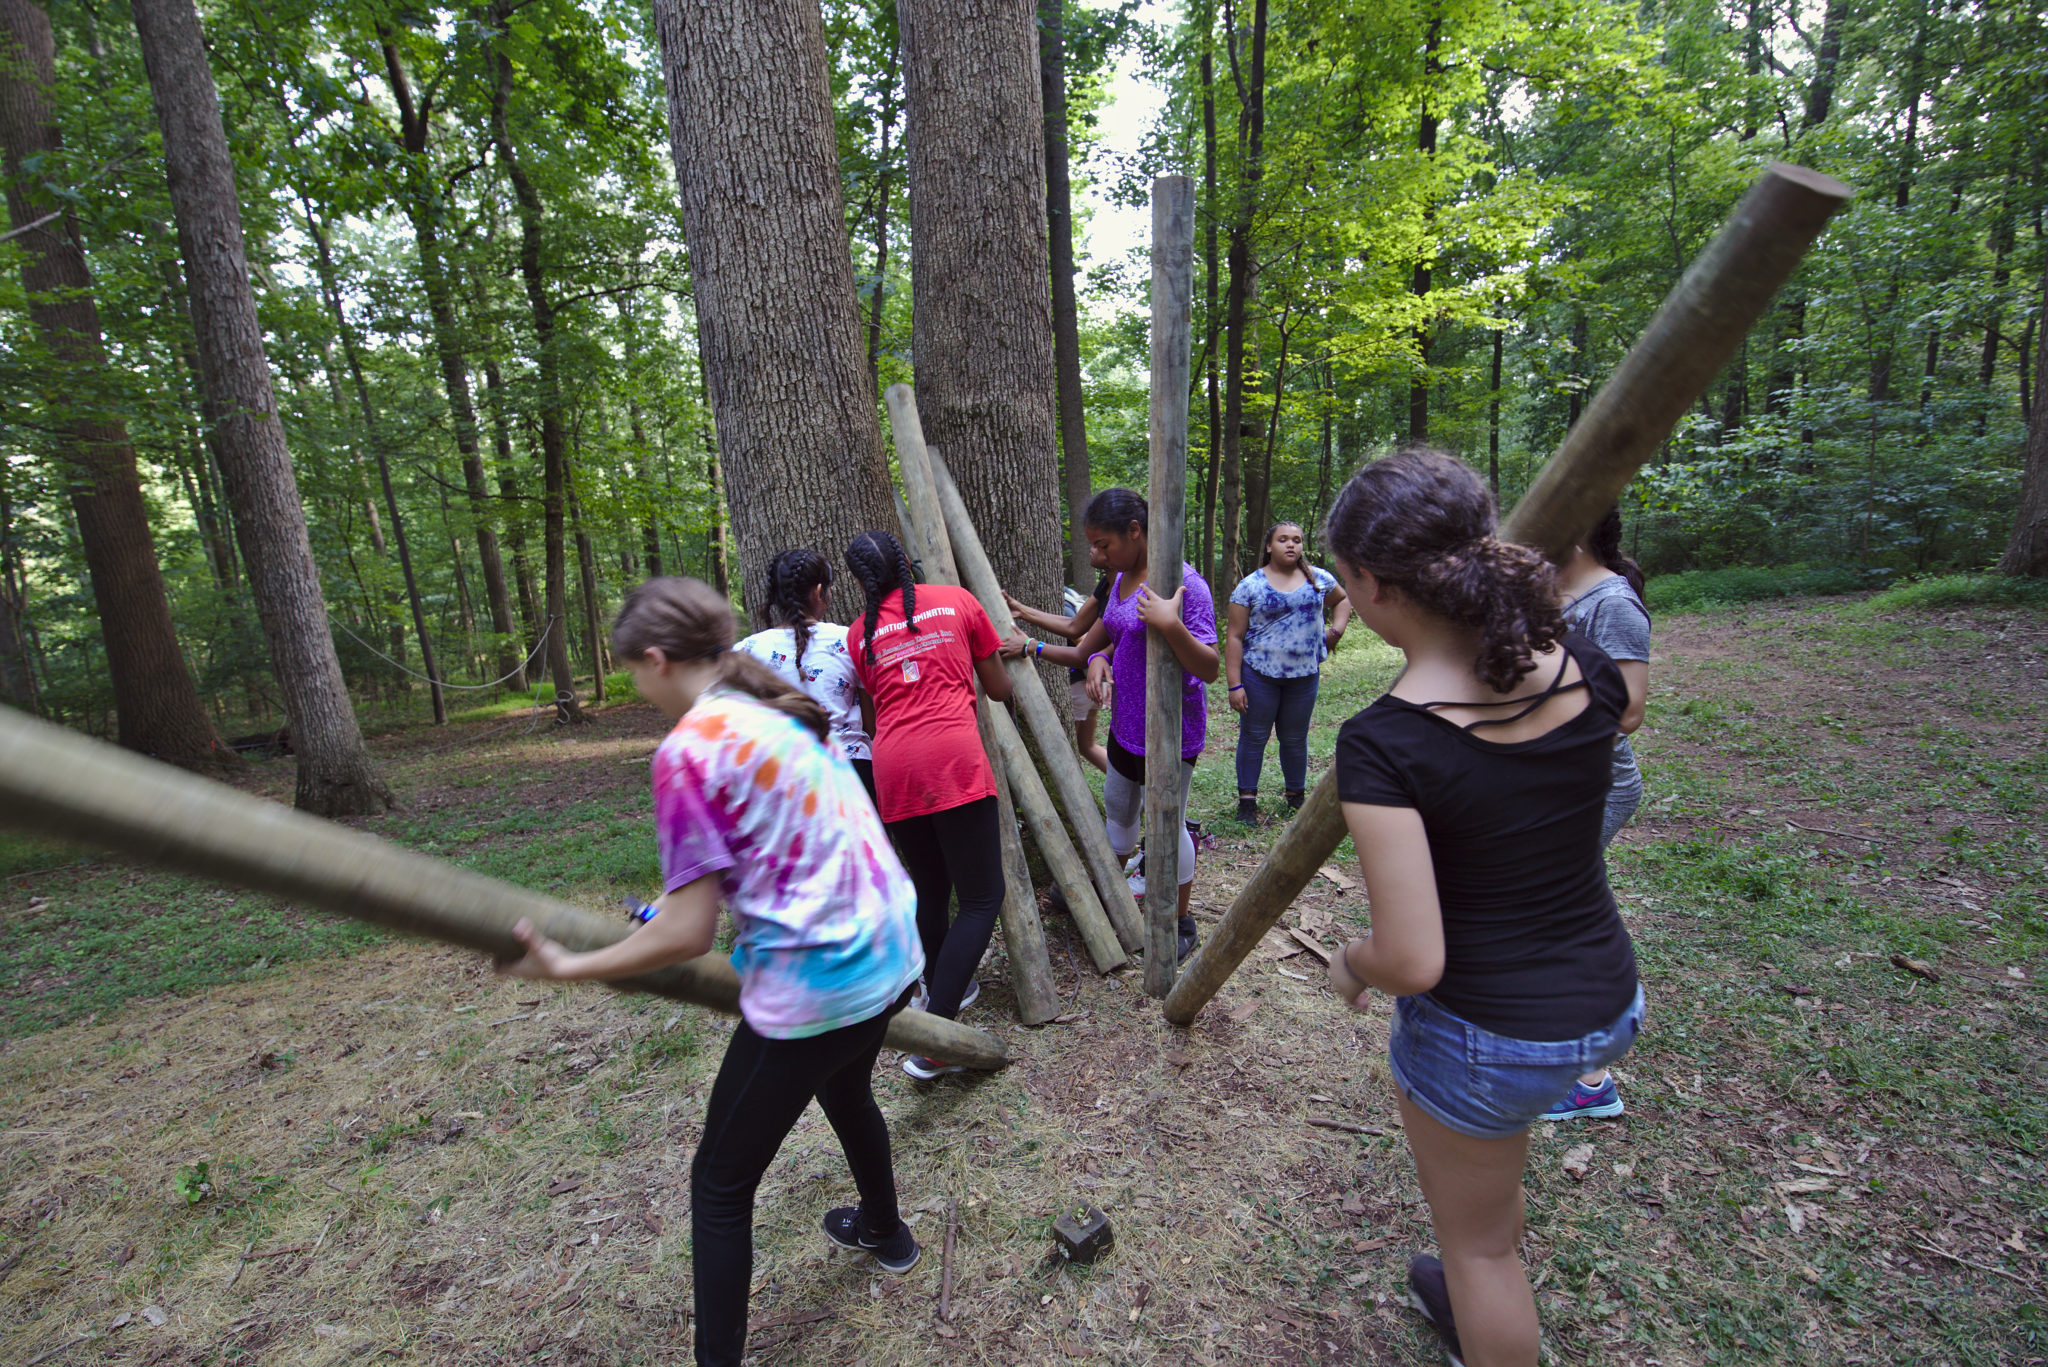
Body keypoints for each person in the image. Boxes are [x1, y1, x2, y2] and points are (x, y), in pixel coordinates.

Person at [497, 576, 925, 1367]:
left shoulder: (689, 748)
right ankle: (886, 1230)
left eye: (631, 670)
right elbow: (778, 844)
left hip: (823, 981)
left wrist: (571, 965)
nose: (636, 685)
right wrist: (672, 905)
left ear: (657, 659)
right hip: (892, 952)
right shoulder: (771, 705)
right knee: (846, 1085)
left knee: (720, 1186)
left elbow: (690, 936)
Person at [1318, 449, 1643, 1367]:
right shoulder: (1583, 663)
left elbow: (1413, 960)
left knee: (1480, 1249)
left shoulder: (1385, 742)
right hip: (1605, 1000)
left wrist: (1351, 961)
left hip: (1487, 1033)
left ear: (1373, 587)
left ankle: (1483, 1295)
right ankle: (1482, 1248)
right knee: (1487, 1202)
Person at [1011, 488, 1219, 963]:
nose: (1095, 555)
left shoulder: (1187, 585)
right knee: (1119, 814)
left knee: (1167, 826)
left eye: (1103, 544)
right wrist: (1040, 649)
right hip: (1126, 724)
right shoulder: (1123, 578)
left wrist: (1172, 624)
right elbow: (1092, 645)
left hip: (1172, 733)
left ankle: (1181, 921)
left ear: (1136, 531)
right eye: (1091, 544)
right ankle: (1107, 889)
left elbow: (1208, 667)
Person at [844, 529, 1017, 1078]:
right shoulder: (959, 602)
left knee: (931, 886)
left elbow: (872, 716)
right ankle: (937, 1037)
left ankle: (939, 989)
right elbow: (998, 689)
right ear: (905, 562)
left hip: (894, 767)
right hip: (953, 762)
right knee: (982, 896)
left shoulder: (859, 633)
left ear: (859, 580)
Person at [1539, 504, 1651, 1125]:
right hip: (1549, 783)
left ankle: (1589, 1080)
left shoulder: (1610, 601)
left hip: (1595, 787)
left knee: (1555, 918)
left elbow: (1627, 710)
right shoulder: (1549, 589)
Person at [1225, 520, 1351, 824]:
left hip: (1304, 677)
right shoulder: (1251, 585)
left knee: (1294, 738)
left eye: (1296, 539)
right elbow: (1234, 637)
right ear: (1269, 546)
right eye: (1283, 539)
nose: (1291, 544)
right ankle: (1247, 804)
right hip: (1258, 674)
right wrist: (1234, 684)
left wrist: (1336, 632)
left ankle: (1296, 798)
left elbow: (1343, 601)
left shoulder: (1318, 579)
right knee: (1254, 736)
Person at [733, 549, 877, 803]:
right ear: (820, 591)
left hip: (780, 777)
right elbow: (871, 721)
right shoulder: (851, 640)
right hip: (850, 772)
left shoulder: (746, 652)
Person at [1004, 559, 1111, 773]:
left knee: (1065, 749)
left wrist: (1031, 645)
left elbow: (1081, 643)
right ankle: (1133, 788)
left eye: (1101, 545)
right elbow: (1075, 628)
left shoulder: (1066, 601)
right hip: (1091, 685)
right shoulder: (1095, 590)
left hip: (1080, 687)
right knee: (1086, 746)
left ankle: (1134, 790)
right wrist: (1022, 611)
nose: (1092, 552)